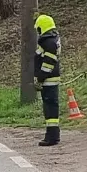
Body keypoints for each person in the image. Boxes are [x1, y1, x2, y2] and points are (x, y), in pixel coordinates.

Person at [34, 13, 62, 146]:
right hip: (49, 79)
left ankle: (52, 137)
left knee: (50, 108)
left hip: (48, 80)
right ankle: (51, 135)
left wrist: (40, 78)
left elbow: (48, 63)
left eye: (38, 29)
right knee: (50, 108)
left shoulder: (49, 42)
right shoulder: (50, 40)